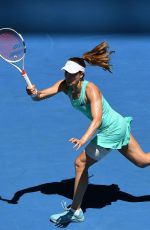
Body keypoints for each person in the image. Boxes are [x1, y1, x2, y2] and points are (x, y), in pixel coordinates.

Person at [26, 42, 150, 225]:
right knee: (142, 161)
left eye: (71, 73)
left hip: (112, 129)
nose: (67, 76)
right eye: (65, 72)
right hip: (117, 125)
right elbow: (40, 96)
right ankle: (76, 210)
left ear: (81, 74)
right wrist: (33, 92)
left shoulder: (91, 89)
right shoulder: (64, 86)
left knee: (80, 163)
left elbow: (97, 119)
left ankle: (75, 212)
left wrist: (83, 139)